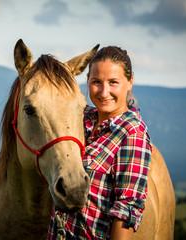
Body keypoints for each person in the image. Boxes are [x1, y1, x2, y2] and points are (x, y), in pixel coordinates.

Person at [47, 46, 152, 240]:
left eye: (113, 82)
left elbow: (126, 209)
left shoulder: (132, 133)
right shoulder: (80, 118)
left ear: (129, 82)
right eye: (96, 82)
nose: (104, 92)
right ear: (87, 82)